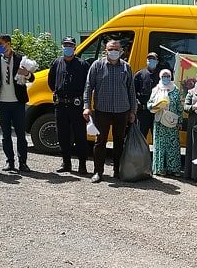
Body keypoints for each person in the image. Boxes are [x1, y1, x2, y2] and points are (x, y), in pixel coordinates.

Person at [83, 39, 137, 183]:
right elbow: (88, 87)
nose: (114, 51)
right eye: (111, 49)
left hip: (122, 110)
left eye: (116, 49)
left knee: (119, 142)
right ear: (105, 51)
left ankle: (117, 171)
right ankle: (98, 172)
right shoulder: (97, 65)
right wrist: (86, 106)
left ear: (121, 51)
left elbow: (131, 90)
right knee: (100, 142)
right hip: (102, 110)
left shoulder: (126, 67)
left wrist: (133, 111)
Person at [0, 34, 35, 172]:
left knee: (21, 135)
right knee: (5, 135)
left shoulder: (21, 59)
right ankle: (9, 162)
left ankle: (23, 162)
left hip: (18, 102)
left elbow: (32, 78)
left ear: (8, 44)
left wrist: (26, 73)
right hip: (2, 103)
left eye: (0, 43)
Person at [48, 36, 90, 174]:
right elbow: (51, 81)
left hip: (76, 105)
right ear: (62, 47)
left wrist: (85, 104)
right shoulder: (56, 63)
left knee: (80, 136)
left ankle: (82, 165)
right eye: (65, 45)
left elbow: (88, 85)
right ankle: (66, 163)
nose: (68, 48)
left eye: (70, 45)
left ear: (75, 47)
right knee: (62, 135)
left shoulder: (82, 65)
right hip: (60, 105)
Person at [148, 69, 183, 176]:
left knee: (173, 146)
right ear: (160, 77)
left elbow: (179, 106)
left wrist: (180, 121)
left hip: (172, 122)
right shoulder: (156, 89)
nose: (166, 78)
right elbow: (149, 104)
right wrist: (155, 106)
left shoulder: (175, 90)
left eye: (168, 76)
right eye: (164, 76)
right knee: (160, 146)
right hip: (160, 122)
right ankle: (160, 168)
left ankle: (174, 169)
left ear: (171, 76)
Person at [134, 52, 161, 138]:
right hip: (143, 112)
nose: (151, 61)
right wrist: (137, 103)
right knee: (140, 136)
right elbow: (132, 91)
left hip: (157, 111)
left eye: (153, 59)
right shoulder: (140, 74)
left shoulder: (162, 75)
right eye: (149, 59)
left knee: (157, 137)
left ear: (157, 61)